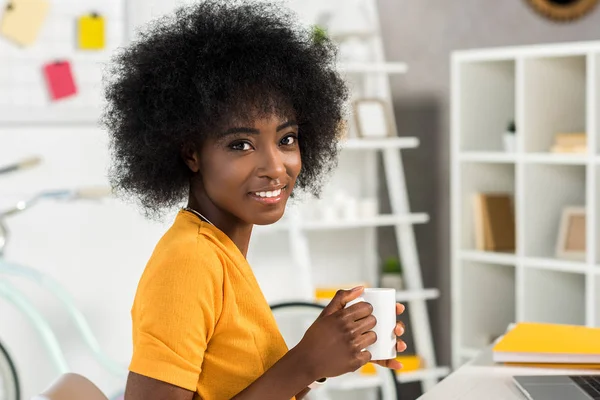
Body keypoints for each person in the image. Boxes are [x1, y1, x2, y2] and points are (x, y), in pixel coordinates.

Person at [102, 1, 407, 399]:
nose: (276, 166)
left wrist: (328, 355)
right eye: (241, 144)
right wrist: (306, 361)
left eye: (286, 139)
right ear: (191, 153)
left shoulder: (220, 253)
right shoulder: (189, 263)